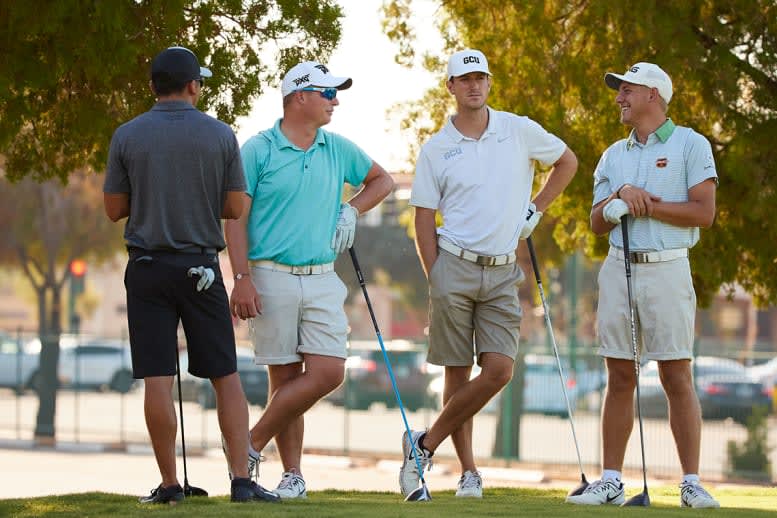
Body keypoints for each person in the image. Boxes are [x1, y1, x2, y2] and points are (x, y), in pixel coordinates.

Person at [103, 46, 279, 505]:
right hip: (201, 267)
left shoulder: (126, 135)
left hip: (146, 268)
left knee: (158, 378)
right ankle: (241, 480)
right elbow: (237, 207)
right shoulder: (220, 135)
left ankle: (169, 486)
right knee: (225, 375)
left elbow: (113, 209)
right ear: (193, 85)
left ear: (153, 86)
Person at [402, 49, 578, 498]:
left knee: (499, 369)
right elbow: (423, 218)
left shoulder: (517, 130)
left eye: (480, 77)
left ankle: (424, 443)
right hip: (453, 266)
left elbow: (567, 162)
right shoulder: (437, 148)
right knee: (457, 373)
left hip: (502, 273)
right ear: (451, 87)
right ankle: (469, 471)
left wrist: (536, 208)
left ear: (489, 82)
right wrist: (435, 275)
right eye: (464, 79)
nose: (474, 85)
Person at [224, 61, 394, 499]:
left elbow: (382, 180)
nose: (335, 101)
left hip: (321, 276)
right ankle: (292, 475)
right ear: (300, 96)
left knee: (327, 372)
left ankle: (249, 445)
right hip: (269, 275)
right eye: (328, 93)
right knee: (285, 379)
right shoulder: (258, 150)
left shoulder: (337, 148)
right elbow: (235, 219)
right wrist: (240, 277)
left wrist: (351, 208)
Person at [566, 62, 719, 508]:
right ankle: (611, 480)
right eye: (619, 91)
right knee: (619, 373)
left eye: (627, 90)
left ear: (653, 94)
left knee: (676, 374)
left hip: (668, 268)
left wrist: (646, 205)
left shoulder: (692, 144)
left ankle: (690, 482)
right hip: (618, 267)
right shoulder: (614, 155)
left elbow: (703, 213)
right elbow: (596, 222)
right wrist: (615, 202)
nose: (619, 98)